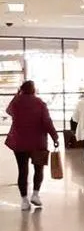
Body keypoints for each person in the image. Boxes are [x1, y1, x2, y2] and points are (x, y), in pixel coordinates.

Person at [5, 81, 59, 210]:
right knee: (38, 169)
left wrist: (17, 95)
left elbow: (8, 111)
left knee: (22, 170)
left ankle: (24, 201)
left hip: (19, 142)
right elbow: (47, 121)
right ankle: (35, 194)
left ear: (21, 89)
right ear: (34, 90)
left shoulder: (16, 102)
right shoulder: (40, 103)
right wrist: (54, 136)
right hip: (38, 142)